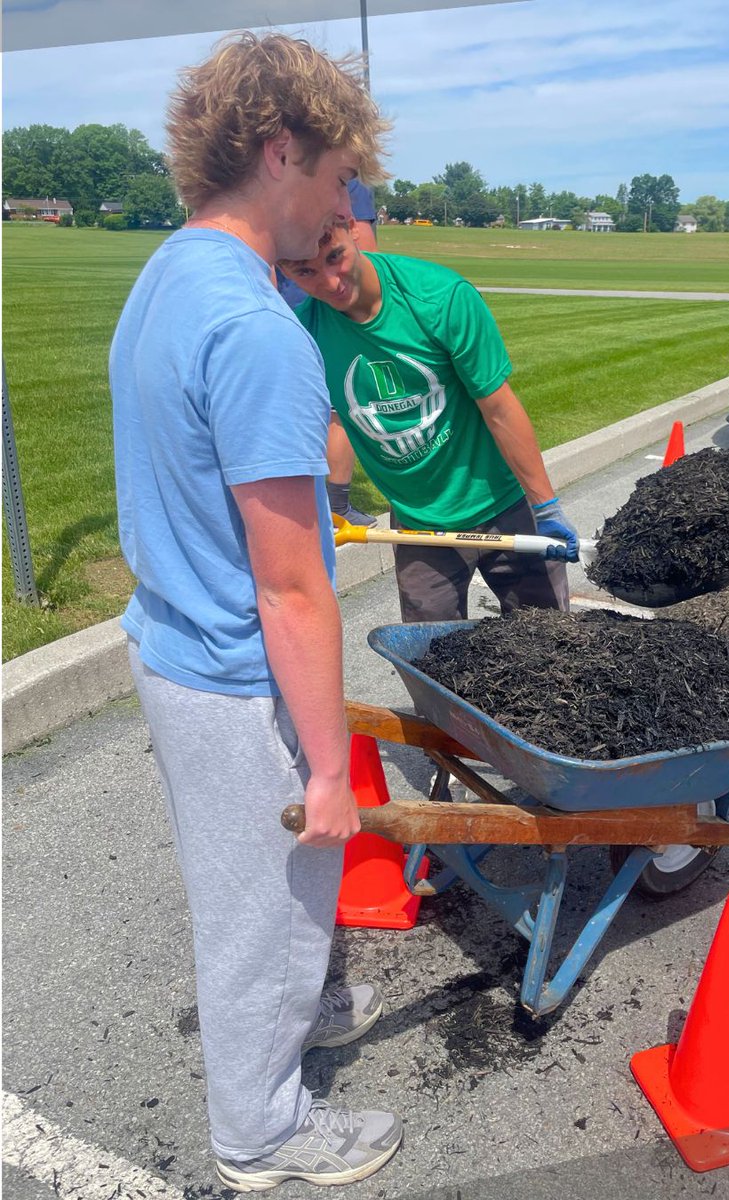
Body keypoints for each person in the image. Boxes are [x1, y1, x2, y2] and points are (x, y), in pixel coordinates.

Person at [109, 32, 402, 1192]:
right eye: (339, 180)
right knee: (263, 909)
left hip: (169, 639)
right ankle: (262, 1134)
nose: (345, 208)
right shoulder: (256, 331)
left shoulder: (171, 271)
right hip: (232, 669)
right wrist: (329, 771)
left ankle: (306, 1010)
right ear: (280, 151)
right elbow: (291, 586)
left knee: (259, 899)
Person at [280, 218, 579, 623]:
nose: (330, 282)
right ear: (284, 271)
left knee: (552, 643)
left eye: (335, 257)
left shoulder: (440, 298)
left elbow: (499, 408)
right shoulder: (305, 334)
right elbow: (307, 431)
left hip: (502, 502)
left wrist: (545, 507)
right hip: (418, 522)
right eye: (305, 271)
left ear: (352, 230)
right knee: (434, 659)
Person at [277, 180, 379, 526]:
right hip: (331, 308)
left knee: (295, 409)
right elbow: (368, 250)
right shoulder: (349, 184)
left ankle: (294, 503)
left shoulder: (277, 186)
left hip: (288, 309)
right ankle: (336, 504)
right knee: (342, 409)